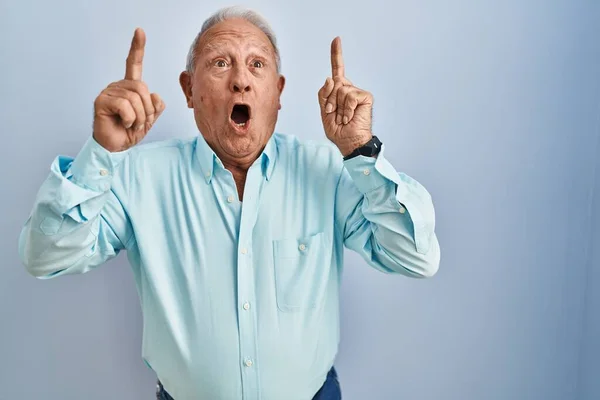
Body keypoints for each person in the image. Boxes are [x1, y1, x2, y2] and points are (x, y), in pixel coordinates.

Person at [18, 6, 440, 400]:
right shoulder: (135, 175)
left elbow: (417, 258)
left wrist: (362, 152)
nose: (241, 80)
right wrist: (100, 154)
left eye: (257, 65)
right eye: (221, 63)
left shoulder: (330, 171)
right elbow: (45, 257)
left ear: (277, 93)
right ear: (188, 89)